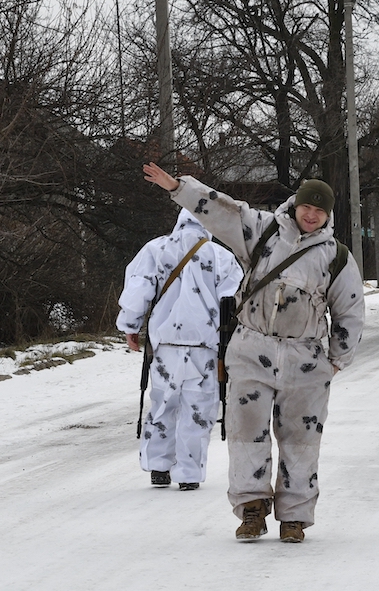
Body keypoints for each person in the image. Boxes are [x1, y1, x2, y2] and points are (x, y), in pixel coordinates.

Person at [142, 161, 365, 543]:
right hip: (251, 350)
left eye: (319, 211)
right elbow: (223, 210)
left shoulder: (336, 257)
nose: (311, 215)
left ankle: (294, 516)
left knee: (300, 439)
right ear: (295, 205)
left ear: (328, 216)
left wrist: (337, 357)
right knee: (246, 435)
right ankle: (251, 511)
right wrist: (179, 188)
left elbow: (351, 310)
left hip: (305, 360)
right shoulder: (262, 231)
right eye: (306, 207)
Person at [117, 208, 243, 491]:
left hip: (165, 346)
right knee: (198, 409)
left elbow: (139, 289)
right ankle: (188, 473)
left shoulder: (155, 249)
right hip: (205, 348)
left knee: (162, 405)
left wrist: (130, 325)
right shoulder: (221, 256)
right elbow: (233, 304)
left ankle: (159, 467)